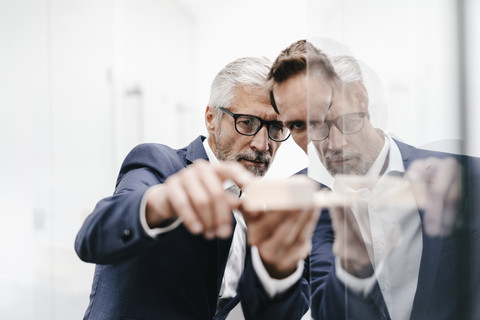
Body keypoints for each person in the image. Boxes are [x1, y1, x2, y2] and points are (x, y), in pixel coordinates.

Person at [75, 56, 315, 320]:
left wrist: (279, 271)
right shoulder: (159, 165)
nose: (262, 143)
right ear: (211, 119)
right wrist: (161, 203)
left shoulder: (259, 214)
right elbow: (92, 237)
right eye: (247, 123)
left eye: (276, 128)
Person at [268, 39, 480, 319]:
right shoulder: (294, 208)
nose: (333, 144)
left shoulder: (468, 177)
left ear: (360, 99)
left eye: (338, 119)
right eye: (302, 126)